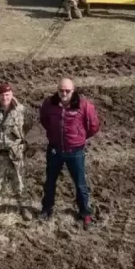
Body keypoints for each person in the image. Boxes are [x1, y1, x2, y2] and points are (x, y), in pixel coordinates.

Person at [38, 77, 100, 230]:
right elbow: (44, 121)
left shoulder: (84, 105)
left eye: (67, 91)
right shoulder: (49, 104)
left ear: (73, 90)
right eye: (61, 90)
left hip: (75, 151)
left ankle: (85, 213)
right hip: (55, 150)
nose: (64, 93)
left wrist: (80, 137)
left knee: (80, 184)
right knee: (50, 181)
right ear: (57, 90)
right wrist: (54, 135)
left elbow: (93, 126)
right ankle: (47, 209)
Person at [0, 83, 33, 221]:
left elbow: (28, 125)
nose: (4, 97)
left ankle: (24, 207)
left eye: (7, 95)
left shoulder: (21, 110)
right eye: (2, 95)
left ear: (12, 95)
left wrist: (17, 141)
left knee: (20, 181)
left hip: (15, 152)